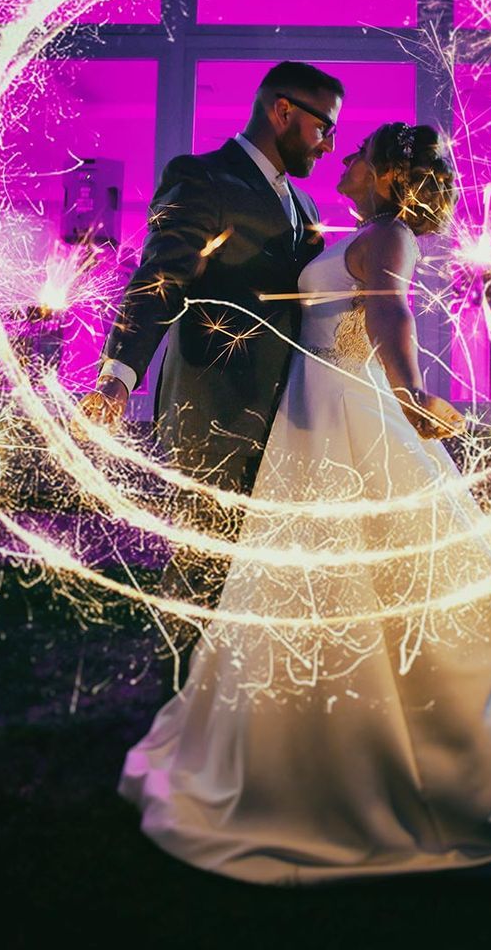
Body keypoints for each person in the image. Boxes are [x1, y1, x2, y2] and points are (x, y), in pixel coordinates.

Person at [117, 121, 491, 885]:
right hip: (315, 415)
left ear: (392, 177)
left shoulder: (389, 234)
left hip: (352, 413)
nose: (347, 160)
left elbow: (391, 311)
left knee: (367, 570)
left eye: (360, 154)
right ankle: (309, 752)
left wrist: (410, 391)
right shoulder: (358, 230)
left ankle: (375, 771)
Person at [79, 61, 344, 639]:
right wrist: (118, 375)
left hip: (287, 417)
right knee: (205, 570)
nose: (329, 146)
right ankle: (182, 698)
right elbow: (160, 278)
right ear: (283, 111)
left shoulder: (308, 209)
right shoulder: (201, 177)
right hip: (214, 407)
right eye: (325, 128)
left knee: (259, 577)